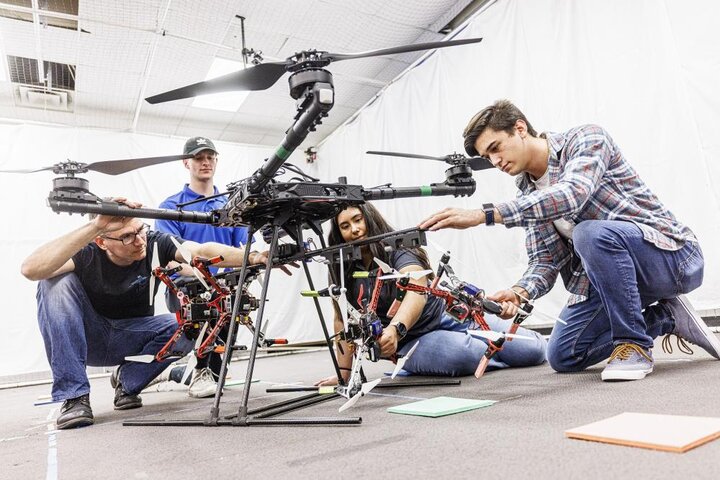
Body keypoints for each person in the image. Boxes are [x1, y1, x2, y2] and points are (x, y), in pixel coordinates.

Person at [420, 99, 719, 382]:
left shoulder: (586, 139)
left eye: (495, 148)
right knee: (564, 354)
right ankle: (667, 316)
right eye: (487, 157)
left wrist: (484, 214)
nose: (495, 161)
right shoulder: (527, 192)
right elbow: (545, 260)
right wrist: (519, 291)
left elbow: (572, 195)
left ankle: (634, 346)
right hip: (616, 281)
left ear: (520, 128)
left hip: (674, 258)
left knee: (589, 233)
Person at [20, 199, 267, 430]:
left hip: (130, 337)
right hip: (88, 337)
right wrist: (95, 225)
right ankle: (74, 398)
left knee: (187, 322)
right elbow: (31, 269)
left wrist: (255, 257)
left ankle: (127, 383)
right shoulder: (87, 252)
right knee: (53, 282)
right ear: (101, 241)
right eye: (127, 237)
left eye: (140, 230)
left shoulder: (154, 243)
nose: (139, 241)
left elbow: (201, 250)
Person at [315, 203, 546, 386]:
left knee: (533, 351)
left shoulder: (396, 248)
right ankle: (441, 357)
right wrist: (344, 374)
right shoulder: (341, 269)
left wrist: (396, 329)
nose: (354, 230)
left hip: (450, 317)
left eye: (358, 220)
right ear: (338, 233)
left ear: (370, 218)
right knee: (465, 354)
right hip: (412, 341)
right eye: (345, 226)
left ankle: (485, 346)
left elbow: (416, 287)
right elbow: (340, 320)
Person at [154, 136, 253, 398]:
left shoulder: (231, 205)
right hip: (187, 287)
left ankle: (174, 372)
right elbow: (171, 261)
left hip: (225, 285)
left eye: (210, 157)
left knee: (219, 369)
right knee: (207, 296)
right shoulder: (171, 207)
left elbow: (242, 251)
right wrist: (210, 279)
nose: (205, 162)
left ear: (216, 161)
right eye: (199, 157)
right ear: (186, 162)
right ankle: (199, 370)